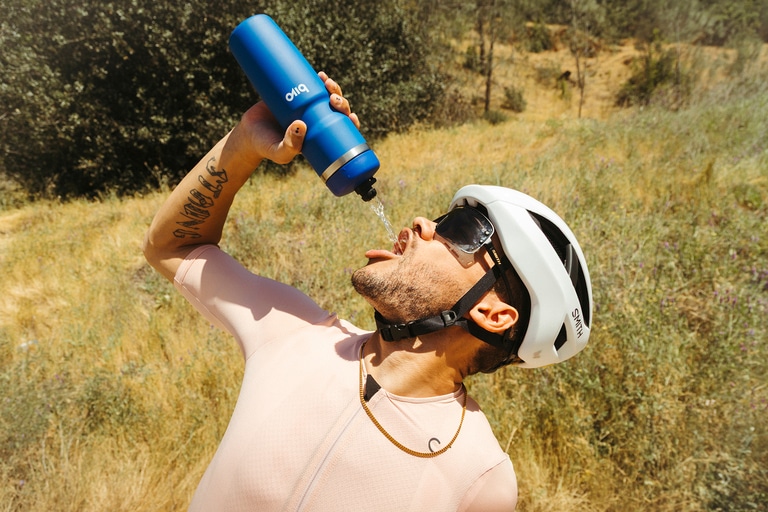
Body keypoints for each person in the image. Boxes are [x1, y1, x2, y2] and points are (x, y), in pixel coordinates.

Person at [143, 72, 592, 512]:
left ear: (494, 314)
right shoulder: (295, 331)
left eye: (462, 230)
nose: (423, 224)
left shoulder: (481, 480)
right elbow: (173, 247)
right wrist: (244, 142)